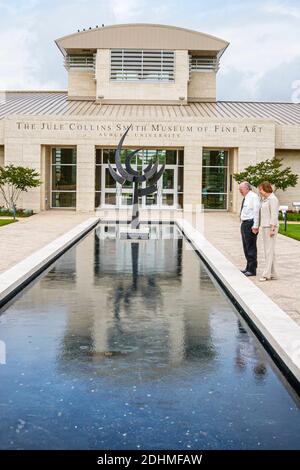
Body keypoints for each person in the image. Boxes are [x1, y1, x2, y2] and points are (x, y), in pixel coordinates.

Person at [258, 181, 279, 281]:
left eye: (261, 189)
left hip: (270, 227)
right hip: (265, 226)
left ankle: (266, 274)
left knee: (268, 251)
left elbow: (274, 215)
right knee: (270, 251)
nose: (260, 191)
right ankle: (273, 274)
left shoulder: (273, 199)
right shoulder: (265, 199)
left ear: (266, 188)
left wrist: (272, 229)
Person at [239, 182, 260, 276]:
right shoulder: (246, 197)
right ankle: (248, 267)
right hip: (244, 223)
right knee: (246, 247)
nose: (240, 191)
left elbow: (256, 212)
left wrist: (255, 226)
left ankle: (252, 270)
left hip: (250, 224)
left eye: (241, 189)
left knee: (251, 247)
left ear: (247, 188)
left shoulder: (253, 197)